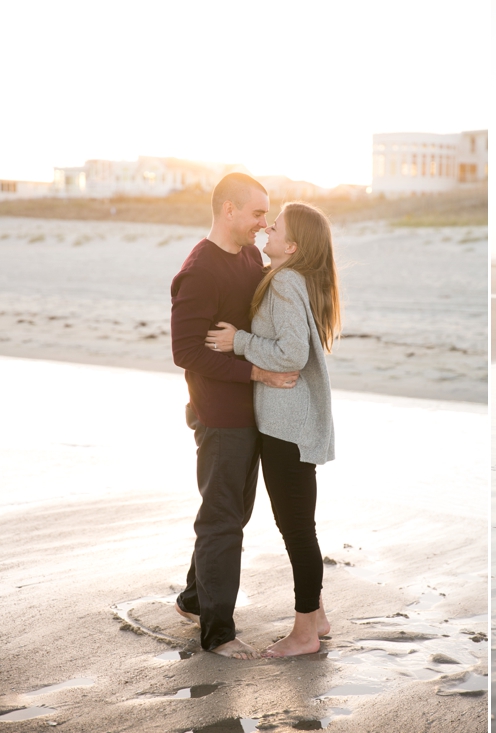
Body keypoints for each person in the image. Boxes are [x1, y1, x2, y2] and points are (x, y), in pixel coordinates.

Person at [170, 173, 299, 660]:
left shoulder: (247, 254)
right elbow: (185, 351)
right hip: (220, 415)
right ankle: (217, 633)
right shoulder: (200, 269)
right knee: (223, 520)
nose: (263, 224)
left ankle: (193, 598)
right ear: (228, 210)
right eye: (257, 213)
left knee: (229, 514)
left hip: (250, 412)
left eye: (267, 215)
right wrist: (258, 374)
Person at [207, 201, 340, 657]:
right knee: (302, 524)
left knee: (297, 530)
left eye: (275, 226)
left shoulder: (284, 281)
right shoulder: (296, 278)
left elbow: (291, 355)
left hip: (287, 426)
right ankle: (317, 617)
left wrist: (237, 341)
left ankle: (304, 635)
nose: (266, 230)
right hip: (294, 422)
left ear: (292, 245)